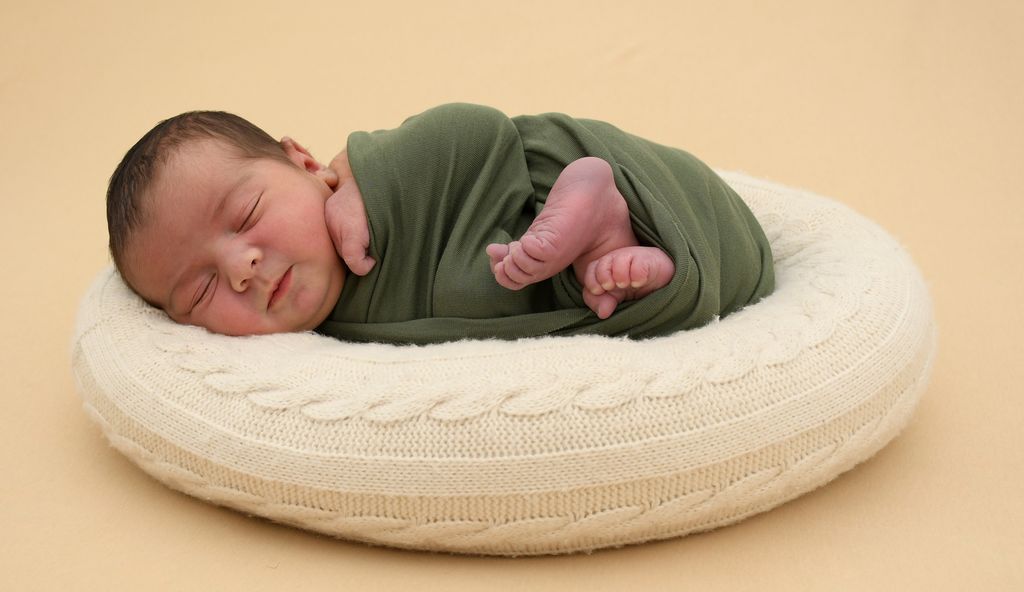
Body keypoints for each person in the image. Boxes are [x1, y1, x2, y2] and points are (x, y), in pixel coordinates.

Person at [107, 103, 774, 344]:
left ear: (304, 163)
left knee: (492, 267)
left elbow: (479, 130)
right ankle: (606, 247)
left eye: (246, 215)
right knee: (524, 291)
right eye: (200, 292)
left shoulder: (363, 187)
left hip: (548, 188)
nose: (240, 268)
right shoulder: (317, 345)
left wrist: (368, 179)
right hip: (608, 281)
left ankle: (591, 203)